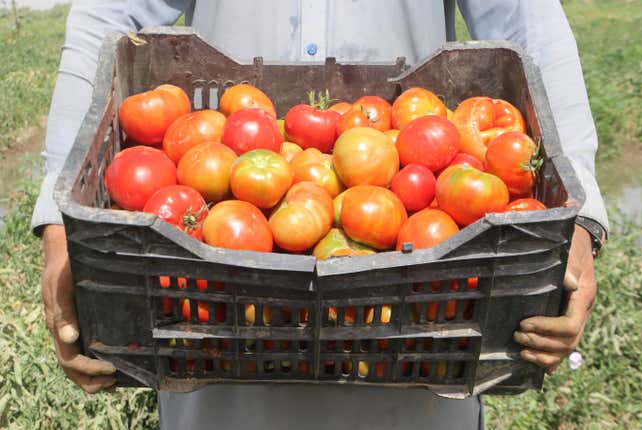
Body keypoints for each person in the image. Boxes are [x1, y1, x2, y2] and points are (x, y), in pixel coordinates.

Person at [32, 1, 608, 429]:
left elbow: (527, 25)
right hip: (219, 318)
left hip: (420, 336)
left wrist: (579, 216)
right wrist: (61, 215)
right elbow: (108, 15)